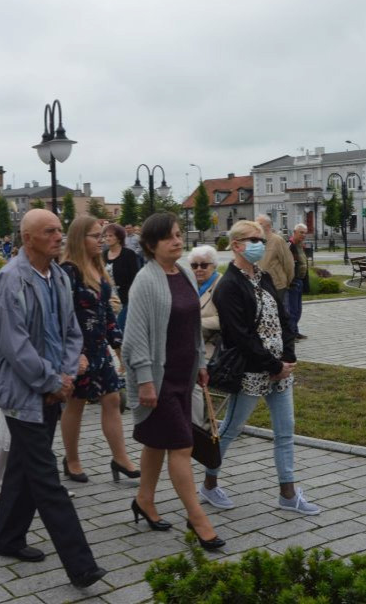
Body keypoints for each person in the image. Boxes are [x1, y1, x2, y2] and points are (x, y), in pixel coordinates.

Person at [0, 208, 106, 589]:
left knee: (22, 466)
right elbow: (15, 347)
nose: (58, 236)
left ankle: (7, 538)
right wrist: (52, 381)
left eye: (59, 230)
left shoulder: (57, 276)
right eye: (50, 231)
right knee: (46, 477)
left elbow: (71, 332)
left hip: (54, 387)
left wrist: (66, 375)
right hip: (24, 393)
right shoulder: (10, 281)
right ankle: (81, 565)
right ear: (28, 238)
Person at [198, 220, 318, 514]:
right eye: (253, 240)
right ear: (236, 245)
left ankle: (287, 493)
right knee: (230, 429)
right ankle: (209, 484)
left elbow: (282, 318)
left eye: (262, 240)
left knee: (285, 430)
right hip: (251, 368)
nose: (260, 246)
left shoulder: (262, 277)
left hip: (280, 368)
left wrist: (288, 357)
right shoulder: (229, 285)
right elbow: (240, 335)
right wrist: (272, 364)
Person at [123, 212, 224, 550]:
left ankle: (144, 500)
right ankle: (197, 518)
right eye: (169, 237)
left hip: (184, 374)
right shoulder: (146, 280)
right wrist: (146, 381)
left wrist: (200, 362)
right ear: (151, 245)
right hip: (160, 378)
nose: (178, 241)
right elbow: (134, 338)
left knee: (156, 442)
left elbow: (192, 326)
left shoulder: (182, 273)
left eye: (180, 234)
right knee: (182, 446)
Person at [59, 216, 138, 483]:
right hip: (77, 351)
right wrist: (70, 353)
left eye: (102, 235)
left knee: (113, 398)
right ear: (80, 239)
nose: (101, 240)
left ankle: (120, 457)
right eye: (96, 236)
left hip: (99, 348)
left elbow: (105, 309)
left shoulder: (98, 266)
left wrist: (117, 341)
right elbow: (62, 315)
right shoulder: (68, 271)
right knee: (76, 403)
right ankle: (71, 460)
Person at [189, 244, 221, 428]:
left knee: (190, 372)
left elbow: (224, 320)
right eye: (194, 265)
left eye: (204, 265)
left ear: (214, 265)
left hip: (213, 346)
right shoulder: (190, 285)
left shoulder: (221, 285)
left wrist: (195, 322)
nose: (199, 269)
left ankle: (200, 424)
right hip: (192, 343)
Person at [102, 222, 139, 332]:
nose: (107, 238)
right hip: (109, 300)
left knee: (119, 329)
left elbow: (135, 278)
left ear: (118, 238)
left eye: (110, 236)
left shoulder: (129, 254)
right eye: (106, 236)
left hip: (125, 299)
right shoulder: (103, 255)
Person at [256, 215, 294, 305]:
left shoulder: (277, 240)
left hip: (277, 285)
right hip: (261, 286)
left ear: (268, 226)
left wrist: (287, 282)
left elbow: (288, 263)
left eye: (260, 224)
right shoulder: (256, 242)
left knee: (278, 314)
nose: (256, 226)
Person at [287, 223, 310, 337]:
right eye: (301, 232)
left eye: (305, 233)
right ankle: (291, 333)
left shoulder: (301, 246)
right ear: (294, 232)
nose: (303, 235)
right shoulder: (290, 245)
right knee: (292, 310)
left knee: (298, 310)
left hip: (300, 281)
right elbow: (286, 264)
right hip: (293, 282)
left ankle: (295, 331)